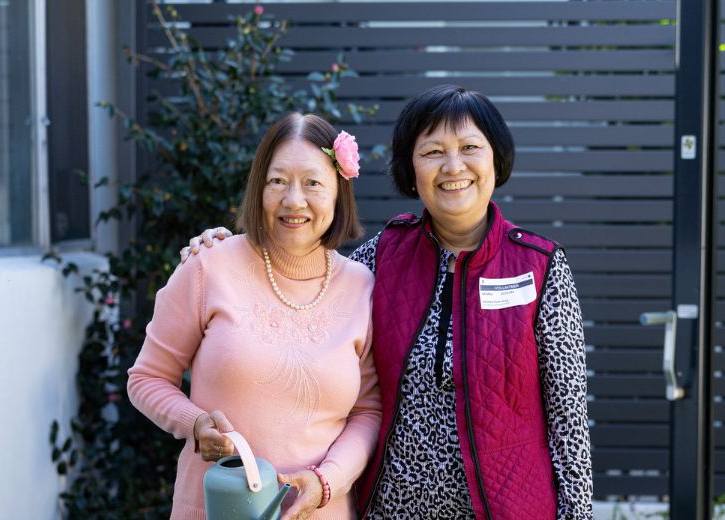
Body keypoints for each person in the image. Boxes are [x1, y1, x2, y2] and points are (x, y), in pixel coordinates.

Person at [183, 85, 593, 519]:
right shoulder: (379, 258)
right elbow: (297, 281)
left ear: (496, 156)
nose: (453, 166)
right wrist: (227, 253)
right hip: (391, 509)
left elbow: (569, 420)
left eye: (470, 147)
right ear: (410, 168)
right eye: (433, 151)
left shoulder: (540, 266)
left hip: (510, 509)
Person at [129, 113, 380, 520]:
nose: (294, 200)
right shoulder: (208, 266)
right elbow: (146, 378)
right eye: (277, 180)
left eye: (313, 183)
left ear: (338, 192)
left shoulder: (362, 287)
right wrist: (194, 424)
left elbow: (369, 411)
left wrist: (326, 480)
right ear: (258, 188)